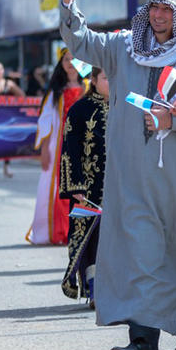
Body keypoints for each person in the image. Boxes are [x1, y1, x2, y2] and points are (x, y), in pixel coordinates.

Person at [60, 0, 176, 350]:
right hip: (131, 174)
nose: (159, 15)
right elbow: (81, 42)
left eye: (168, 9)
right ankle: (144, 342)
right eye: (154, 7)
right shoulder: (123, 49)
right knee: (140, 251)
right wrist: (68, 3)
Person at [60, 67, 109, 305]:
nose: (111, 82)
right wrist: (75, 185)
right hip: (88, 188)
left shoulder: (127, 106)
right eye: (106, 77)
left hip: (122, 186)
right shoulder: (80, 109)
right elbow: (69, 151)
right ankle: (94, 289)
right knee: (91, 237)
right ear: (94, 80)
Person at [27, 49, 84, 245]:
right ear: (60, 63)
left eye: (74, 59)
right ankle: (59, 231)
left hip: (85, 144)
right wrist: (44, 148)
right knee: (59, 187)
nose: (70, 63)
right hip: (59, 144)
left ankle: (81, 230)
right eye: (66, 59)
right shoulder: (55, 91)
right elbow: (46, 120)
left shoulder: (90, 87)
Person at [0, 61, 25, 179]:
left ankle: (6, 168)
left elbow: (21, 95)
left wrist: (12, 103)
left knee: (7, 143)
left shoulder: (9, 84)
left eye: (0, 69)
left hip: (7, 119)